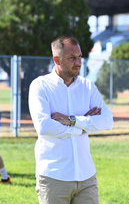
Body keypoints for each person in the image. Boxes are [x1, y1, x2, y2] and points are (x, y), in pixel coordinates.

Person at [28, 36, 114, 204]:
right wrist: (83, 127)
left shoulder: (87, 86)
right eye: (72, 58)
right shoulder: (40, 86)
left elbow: (107, 121)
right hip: (54, 177)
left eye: (80, 57)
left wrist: (72, 120)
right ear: (56, 59)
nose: (78, 62)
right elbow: (44, 127)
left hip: (86, 177)